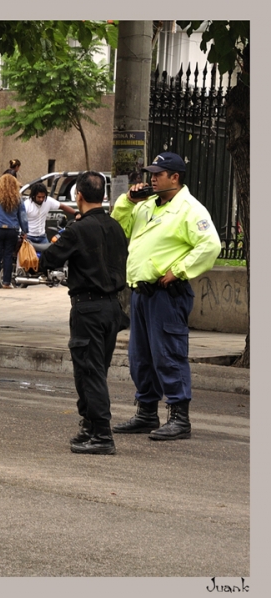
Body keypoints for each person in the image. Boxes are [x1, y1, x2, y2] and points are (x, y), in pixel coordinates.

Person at [109, 152, 221, 441]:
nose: (153, 179)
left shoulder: (189, 209)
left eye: (159, 174)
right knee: (140, 358)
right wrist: (128, 202)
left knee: (168, 355)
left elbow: (210, 246)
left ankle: (179, 418)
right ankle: (146, 412)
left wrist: (179, 270)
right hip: (141, 294)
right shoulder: (146, 206)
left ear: (175, 177)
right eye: (151, 174)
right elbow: (118, 229)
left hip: (166, 294)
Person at [39, 171, 128, 454]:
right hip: (113, 306)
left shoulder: (78, 230)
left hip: (88, 307)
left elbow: (50, 259)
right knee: (96, 369)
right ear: (102, 195)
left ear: (78, 196)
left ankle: (101, 434)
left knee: (89, 372)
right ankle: (90, 426)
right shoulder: (115, 227)